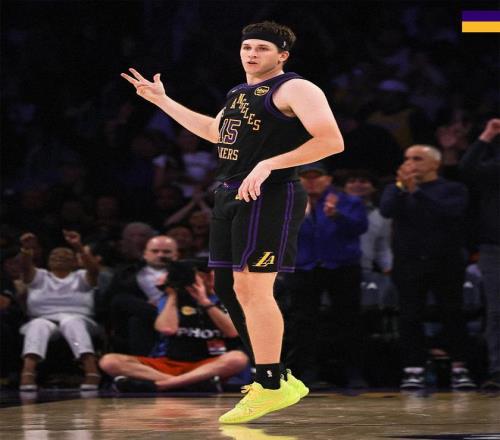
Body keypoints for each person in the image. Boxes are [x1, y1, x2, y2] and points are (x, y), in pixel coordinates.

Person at [121, 20, 344, 423]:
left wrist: (269, 164)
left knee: (253, 287)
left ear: (282, 55)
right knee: (227, 287)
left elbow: (331, 140)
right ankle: (280, 376)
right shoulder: (238, 92)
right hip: (229, 192)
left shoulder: (296, 88)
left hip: (270, 192)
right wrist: (162, 101)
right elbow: (214, 131)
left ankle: (269, 383)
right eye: (247, 47)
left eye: (262, 48)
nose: (252, 54)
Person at [380, 145, 475, 390]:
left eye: (417, 158)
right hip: (408, 263)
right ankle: (414, 369)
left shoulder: (453, 189)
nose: (410, 163)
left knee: (452, 313)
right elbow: (386, 210)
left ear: (435, 164)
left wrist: (416, 191)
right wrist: (402, 188)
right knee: (410, 315)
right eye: (407, 158)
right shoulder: (395, 189)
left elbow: (449, 212)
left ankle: (460, 367)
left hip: (446, 261)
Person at [99, 265, 249, 392]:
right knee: (109, 361)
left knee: (238, 358)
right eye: (199, 277)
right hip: (168, 363)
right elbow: (167, 329)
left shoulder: (226, 300)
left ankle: (163, 385)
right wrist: (172, 295)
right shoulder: (171, 298)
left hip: (206, 365)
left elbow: (232, 332)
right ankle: (188, 384)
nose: (206, 279)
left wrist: (204, 301)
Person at [284, 162, 368, 388]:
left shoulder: (348, 201)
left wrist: (336, 215)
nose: (311, 181)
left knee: (348, 320)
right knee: (302, 322)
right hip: (303, 267)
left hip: (342, 266)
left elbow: (360, 227)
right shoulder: (289, 202)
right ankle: (306, 373)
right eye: (306, 177)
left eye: (317, 176)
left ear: (328, 179)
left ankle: (352, 373)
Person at [17, 230, 101, 391]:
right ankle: (27, 373)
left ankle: (91, 371)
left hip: (80, 319)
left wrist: (78, 247)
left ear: (75, 261)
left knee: (71, 322)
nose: (60, 257)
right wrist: (27, 250)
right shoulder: (40, 276)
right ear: (48, 261)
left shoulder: (81, 276)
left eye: (66, 255)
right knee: (38, 325)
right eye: (55, 255)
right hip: (44, 318)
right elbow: (25, 268)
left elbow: (94, 270)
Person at [459, 118, 500, 390]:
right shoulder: (495, 169)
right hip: (494, 248)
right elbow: (467, 168)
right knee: (497, 312)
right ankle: (497, 370)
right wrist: (488, 134)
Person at [103, 235, 178, 355]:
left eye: (166, 252)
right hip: (140, 318)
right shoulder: (126, 273)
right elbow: (110, 301)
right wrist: (143, 305)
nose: (160, 255)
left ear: (176, 255)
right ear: (145, 254)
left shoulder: (188, 274)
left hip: (175, 315)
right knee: (124, 304)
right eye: (155, 251)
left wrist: (163, 304)